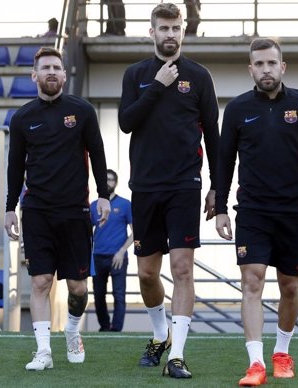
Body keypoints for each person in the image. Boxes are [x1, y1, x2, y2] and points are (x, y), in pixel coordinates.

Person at [214, 38, 298, 386]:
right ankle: (256, 364)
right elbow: (224, 163)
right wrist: (221, 209)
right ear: (250, 69)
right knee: (252, 281)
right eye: (259, 64)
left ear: (283, 66)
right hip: (252, 210)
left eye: (271, 63)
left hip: (293, 211)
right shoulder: (236, 109)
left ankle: (281, 352)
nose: (266, 69)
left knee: (289, 286)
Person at [118, 2, 220, 379]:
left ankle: (176, 355)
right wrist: (157, 87)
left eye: (175, 28)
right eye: (163, 28)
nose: (170, 34)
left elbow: (214, 136)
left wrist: (218, 189)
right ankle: (160, 334)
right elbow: (127, 122)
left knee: (182, 269)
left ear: (182, 31)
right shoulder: (136, 74)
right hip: (144, 186)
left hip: (185, 185)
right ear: (152, 32)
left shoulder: (200, 76)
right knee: (147, 274)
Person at [4, 47, 111, 371]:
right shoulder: (22, 117)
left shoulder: (82, 111)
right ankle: (43, 351)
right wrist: (10, 208)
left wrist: (103, 196)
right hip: (36, 211)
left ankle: (73, 331)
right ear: (34, 75)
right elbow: (14, 168)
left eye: (56, 67)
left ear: (65, 75)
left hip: (75, 211)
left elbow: (98, 154)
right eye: (45, 67)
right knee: (40, 282)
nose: (51, 72)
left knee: (78, 288)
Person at [90, 169, 133, 332]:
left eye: (111, 180)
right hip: (98, 256)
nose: (108, 182)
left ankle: (116, 329)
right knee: (98, 295)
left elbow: (135, 231)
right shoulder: (94, 206)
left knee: (119, 295)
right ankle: (105, 326)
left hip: (118, 257)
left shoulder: (125, 204)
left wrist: (122, 251)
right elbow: (86, 232)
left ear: (116, 183)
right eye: (105, 179)